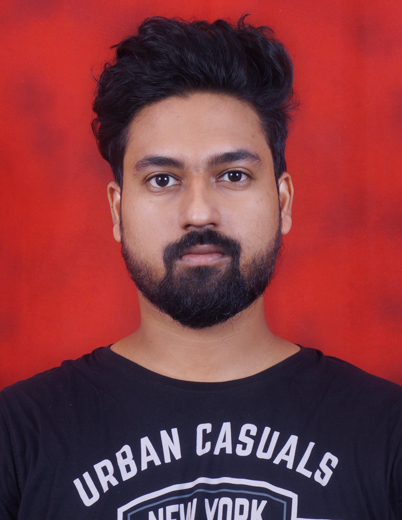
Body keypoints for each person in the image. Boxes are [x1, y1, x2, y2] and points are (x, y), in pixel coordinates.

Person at [0, 16, 401, 520]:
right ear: (116, 211)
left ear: (283, 200)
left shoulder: (386, 431)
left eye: (233, 175)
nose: (198, 212)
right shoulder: (18, 436)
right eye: (162, 180)